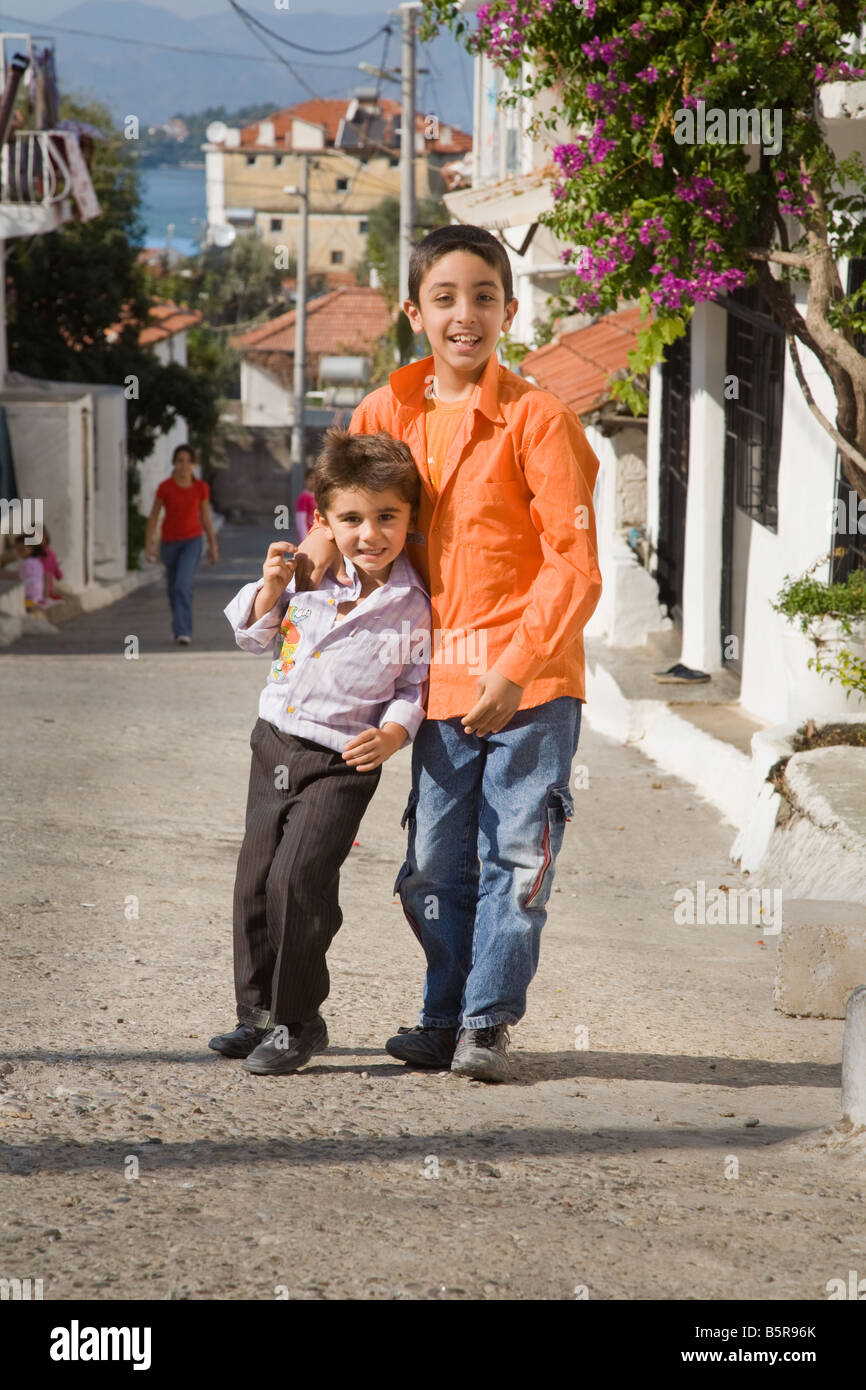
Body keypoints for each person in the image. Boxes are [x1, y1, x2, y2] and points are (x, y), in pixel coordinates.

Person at [296, 223, 603, 1083]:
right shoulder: (386, 410)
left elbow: (575, 563)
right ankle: (441, 1012)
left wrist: (515, 668)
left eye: (483, 297)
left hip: (531, 682)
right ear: (414, 311)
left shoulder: (537, 419)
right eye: (445, 298)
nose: (464, 315)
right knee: (432, 863)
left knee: (516, 856)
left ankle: (483, 1022)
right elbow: (342, 510)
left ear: (509, 308)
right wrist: (308, 562)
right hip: (434, 680)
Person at [210, 428, 432, 1077]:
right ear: (326, 520)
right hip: (273, 741)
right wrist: (271, 588)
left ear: (409, 516)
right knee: (254, 879)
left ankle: (298, 1020)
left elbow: (415, 683)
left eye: (387, 516)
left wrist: (395, 733)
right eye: (352, 519)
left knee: (297, 880)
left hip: (343, 762)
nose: (371, 533)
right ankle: (255, 1013)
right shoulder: (306, 579)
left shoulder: (410, 605)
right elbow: (252, 639)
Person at [144, 444, 218, 644]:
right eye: (180, 461)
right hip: (169, 543)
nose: (184, 465)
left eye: (188, 461)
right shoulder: (165, 487)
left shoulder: (200, 488)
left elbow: (205, 517)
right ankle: (177, 626)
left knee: (183, 584)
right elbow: (154, 516)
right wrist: (149, 544)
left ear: (193, 464)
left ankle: (183, 631)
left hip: (192, 542)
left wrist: (212, 545)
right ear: (174, 463)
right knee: (172, 587)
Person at [295, 467, 317, 542]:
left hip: (319, 536)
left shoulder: (320, 496)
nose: (313, 481)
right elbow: (300, 522)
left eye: (316, 479)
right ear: (306, 480)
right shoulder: (303, 498)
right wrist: (305, 540)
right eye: (311, 478)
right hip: (308, 536)